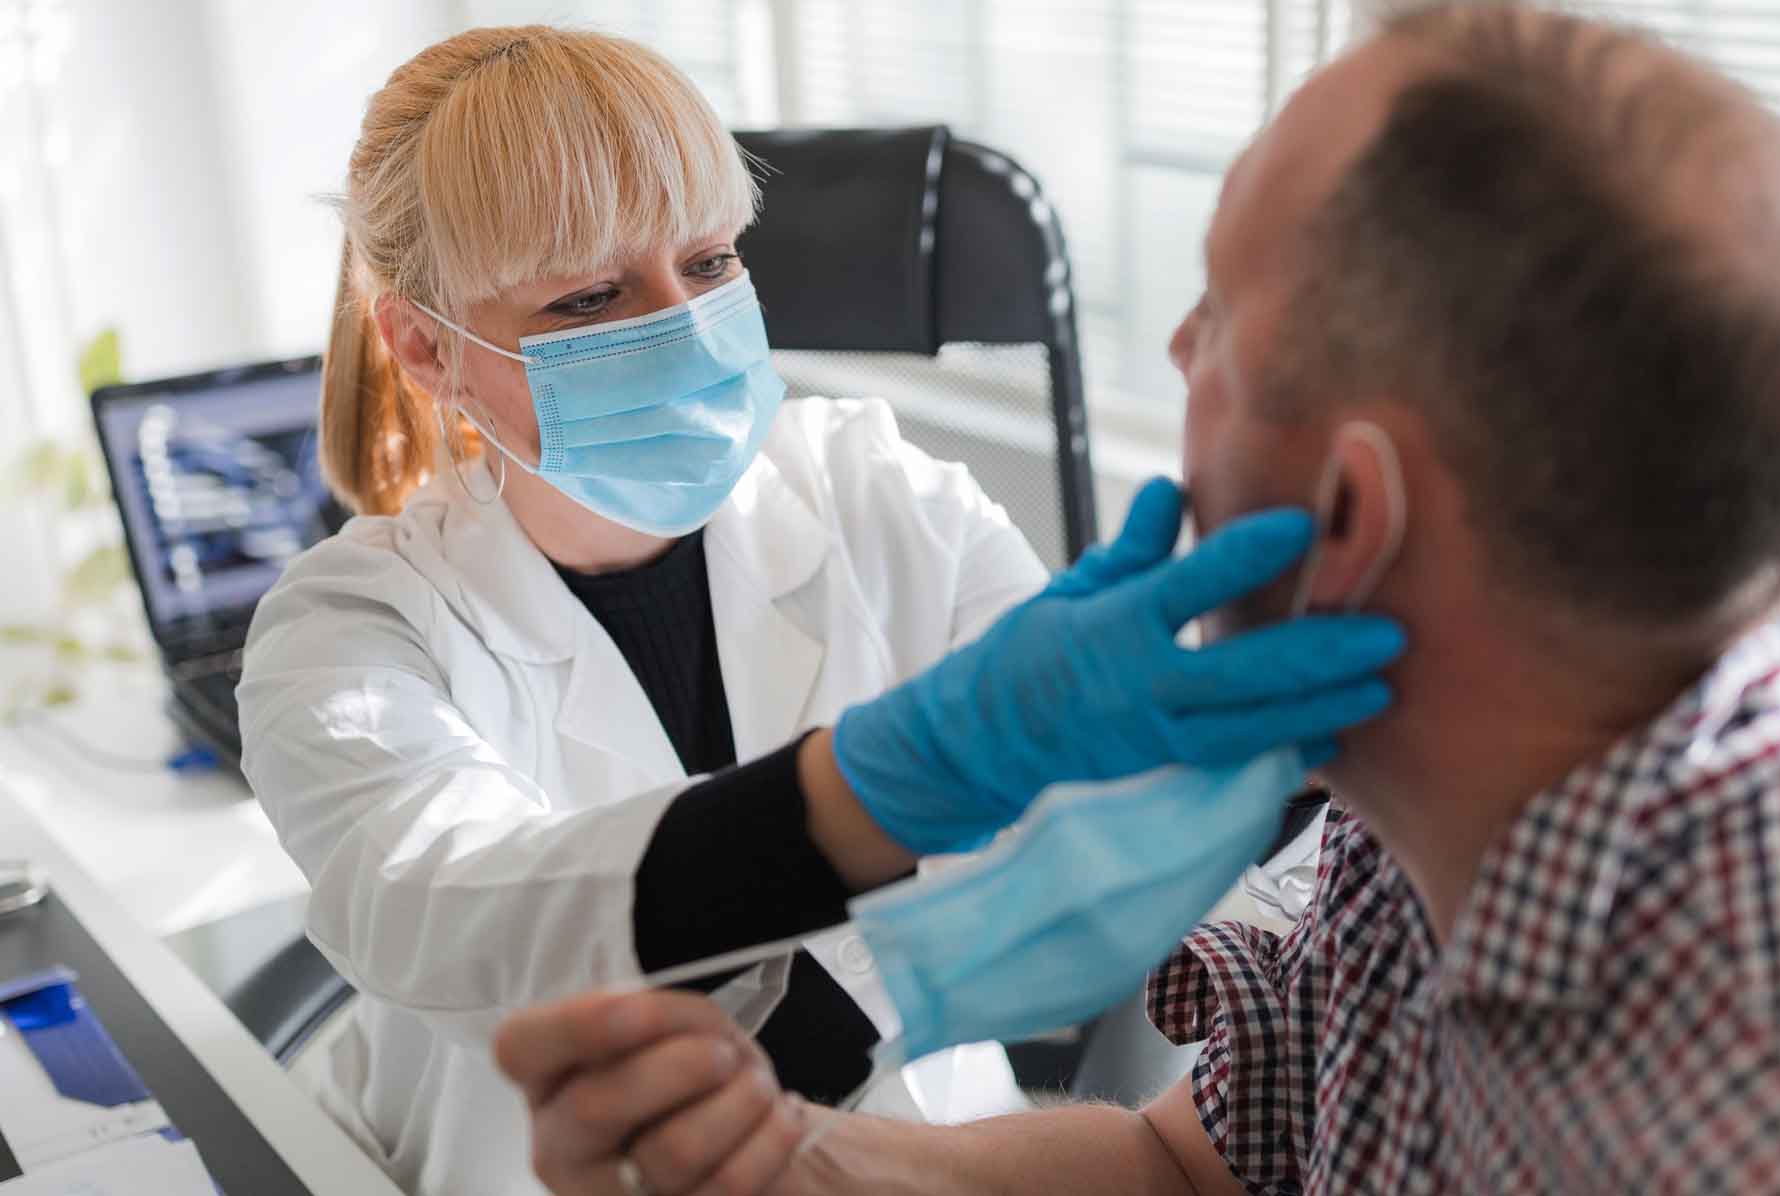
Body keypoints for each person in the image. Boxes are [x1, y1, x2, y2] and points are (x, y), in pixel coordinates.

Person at [494, 4, 1780, 1194]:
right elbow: (1182, 1167)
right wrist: (789, 1160)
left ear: (1349, 514)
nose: (1176, 353)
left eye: (1216, 317)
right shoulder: (1438, 803)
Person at [235, 25, 1405, 1196]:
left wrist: (1232, 755)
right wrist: (884, 786)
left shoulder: (879, 491)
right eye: (589, 297)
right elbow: (455, 914)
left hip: (933, 1156)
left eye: (708, 261)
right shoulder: (347, 632)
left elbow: (1074, 810)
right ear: (427, 346)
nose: (680, 322)